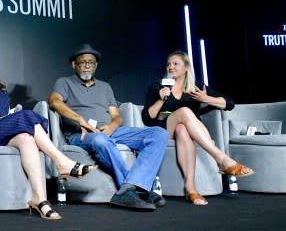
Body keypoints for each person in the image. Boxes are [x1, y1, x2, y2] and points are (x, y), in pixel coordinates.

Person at [0, 48, 98, 221]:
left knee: (26, 138)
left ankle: (40, 199)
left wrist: (5, 120)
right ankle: (61, 161)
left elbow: (5, 118)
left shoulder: (1, 91)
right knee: (25, 116)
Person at [48, 43, 169, 211]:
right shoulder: (64, 82)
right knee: (100, 139)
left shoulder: (105, 87)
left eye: (91, 62)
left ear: (96, 66)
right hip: (81, 135)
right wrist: (80, 120)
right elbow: (54, 101)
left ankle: (132, 188)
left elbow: (117, 116)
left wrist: (112, 126)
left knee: (159, 134)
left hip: (111, 131)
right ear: (74, 64)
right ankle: (136, 189)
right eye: (83, 62)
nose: (87, 66)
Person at [141, 49, 254, 205]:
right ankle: (221, 159)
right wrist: (161, 100)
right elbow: (147, 118)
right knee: (185, 112)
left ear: (186, 67)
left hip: (189, 130)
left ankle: (191, 188)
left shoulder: (196, 87)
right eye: (168, 64)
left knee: (183, 129)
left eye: (175, 64)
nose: (170, 67)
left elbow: (229, 104)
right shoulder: (157, 87)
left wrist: (205, 98)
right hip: (164, 129)